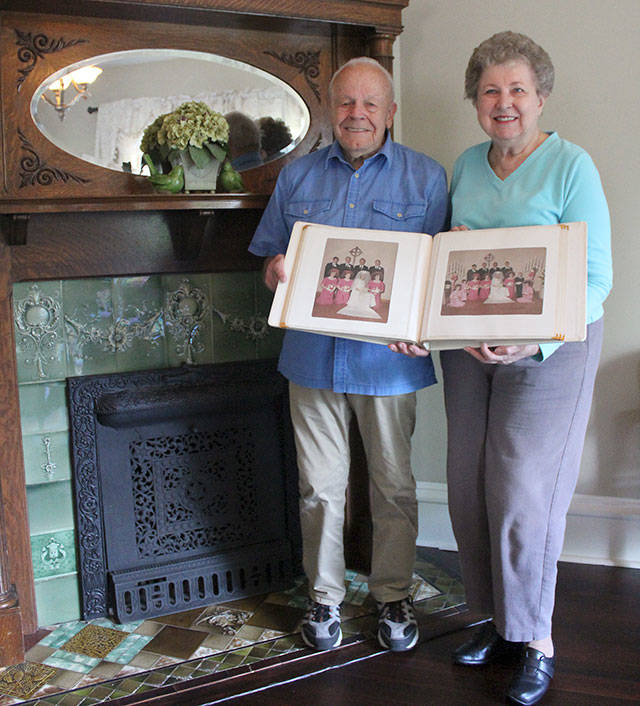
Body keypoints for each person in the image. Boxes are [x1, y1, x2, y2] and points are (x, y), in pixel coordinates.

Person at [389, 31, 612, 705]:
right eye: (490, 90)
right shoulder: (464, 165)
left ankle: (536, 638)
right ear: (476, 102)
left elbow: (595, 279)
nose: (504, 102)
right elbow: (450, 266)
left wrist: (530, 344)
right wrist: (420, 323)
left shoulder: (572, 167)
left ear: (541, 97)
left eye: (518, 89)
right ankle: (494, 622)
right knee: (467, 485)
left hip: (552, 351)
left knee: (520, 492)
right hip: (470, 351)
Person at [249, 56, 448, 653]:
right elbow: (268, 263)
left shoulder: (427, 178)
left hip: (389, 363)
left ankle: (393, 597)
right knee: (319, 488)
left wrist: (425, 329)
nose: (356, 114)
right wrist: (276, 269)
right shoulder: (297, 178)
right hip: (309, 359)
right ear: (330, 112)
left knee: (394, 488)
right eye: (345, 104)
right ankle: (325, 598)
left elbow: (437, 277)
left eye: (369, 104)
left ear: (390, 112)